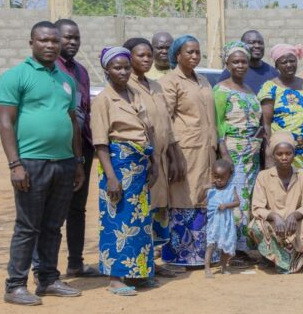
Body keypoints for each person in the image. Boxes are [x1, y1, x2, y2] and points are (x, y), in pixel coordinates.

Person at [0, 21, 84, 305]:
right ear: (31, 42)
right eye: (43, 40)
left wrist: (78, 162)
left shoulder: (66, 80)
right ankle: (15, 285)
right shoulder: (16, 76)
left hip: (64, 163)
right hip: (31, 163)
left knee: (52, 226)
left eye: (54, 41)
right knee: (27, 226)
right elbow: (6, 122)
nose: (50, 45)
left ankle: (47, 279)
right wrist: (15, 164)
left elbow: (72, 121)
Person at [91, 47, 157, 296]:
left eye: (126, 67)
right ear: (107, 70)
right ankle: (116, 278)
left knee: (139, 220)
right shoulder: (104, 100)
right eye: (117, 67)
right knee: (117, 220)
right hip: (118, 166)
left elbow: (148, 129)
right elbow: (100, 142)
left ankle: (138, 272)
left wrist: (155, 163)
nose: (123, 71)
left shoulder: (134, 94)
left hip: (140, 164)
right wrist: (111, 177)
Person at [42, 19, 100, 279]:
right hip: (55, 149)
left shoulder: (82, 72)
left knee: (77, 208)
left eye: (76, 38)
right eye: (67, 37)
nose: (72, 42)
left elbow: (84, 111)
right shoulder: (49, 70)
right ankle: (45, 270)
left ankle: (75, 263)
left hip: (81, 150)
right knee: (50, 211)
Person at [124, 38, 185, 268]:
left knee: (158, 211)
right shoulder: (126, 87)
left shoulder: (155, 86)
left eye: (149, 55)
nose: (147, 59)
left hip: (161, 158)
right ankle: (137, 266)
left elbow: (166, 124)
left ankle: (151, 264)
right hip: (140, 160)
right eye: (141, 55)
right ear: (129, 57)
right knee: (139, 212)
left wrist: (174, 154)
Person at [159, 35, 218, 267]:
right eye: (189, 52)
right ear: (177, 55)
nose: (194, 56)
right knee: (183, 196)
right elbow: (165, 119)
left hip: (207, 151)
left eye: (197, 52)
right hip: (184, 151)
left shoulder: (203, 80)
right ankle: (180, 254)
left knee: (204, 195)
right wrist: (172, 155)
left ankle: (203, 254)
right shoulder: (170, 82)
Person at [214, 41, 264, 257]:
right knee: (234, 197)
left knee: (248, 197)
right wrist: (224, 154)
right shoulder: (221, 89)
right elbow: (216, 123)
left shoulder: (250, 89)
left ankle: (243, 246)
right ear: (227, 63)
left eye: (244, 61)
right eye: (236, 61)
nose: (241, 65)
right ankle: (229, 247)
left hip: (251, 153)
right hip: (233, 151)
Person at [249, 131, 303, 274]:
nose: (284, 157)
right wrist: (274, 217)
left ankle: (300, 258)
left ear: (294, 154)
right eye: (279, 154)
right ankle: (275, 258)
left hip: (295, 225)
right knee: (255, 225)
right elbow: (257, 207)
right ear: (273, 155)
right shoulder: (263, 176)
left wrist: (295, 215)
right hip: (274, 226)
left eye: (288, 153)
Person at [259, 43, 303, 170]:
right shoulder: (270, 87)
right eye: (284, 62)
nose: (289, 65)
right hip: (284, 154)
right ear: (276, 65)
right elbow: (266, 123)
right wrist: (269, 152)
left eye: (292, 61)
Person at [203, 159, 241, 278]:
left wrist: (226, 205)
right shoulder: (211, 189)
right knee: (211, 245)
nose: (218, 180)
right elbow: (201, 200)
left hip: (227, 223)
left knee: (226, 246)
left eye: (222, 177)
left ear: (229, 177)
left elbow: (237, 202)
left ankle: (223, 267)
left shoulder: (231, 188)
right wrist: (204, 188)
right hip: (213, 223)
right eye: (215, 176)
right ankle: (207, 269)